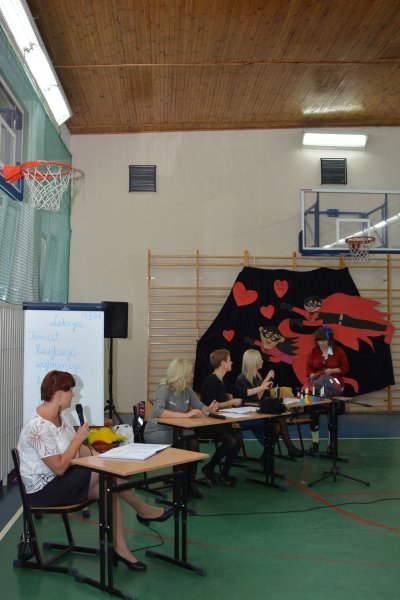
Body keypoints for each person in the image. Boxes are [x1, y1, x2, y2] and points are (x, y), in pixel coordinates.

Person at [18, 370, 173, 573]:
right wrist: (78, 440)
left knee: (108, 486)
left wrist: (103, 456)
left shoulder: (60, 417)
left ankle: (121, 548)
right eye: (70, 390)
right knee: (107, 473)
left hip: (63, 480)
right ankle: (143, 511)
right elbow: (59, 467)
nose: (73, 394)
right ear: (59, 394)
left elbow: (80, 451)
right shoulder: (37, 427)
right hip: (44, 491)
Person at [145, 358, 216, 499]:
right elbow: (158, 411)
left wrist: (209, 409)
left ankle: (190, 482)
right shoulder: (164, 388)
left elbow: (200, 406)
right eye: (190, 372)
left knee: (192, 440)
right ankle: (180, 484)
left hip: (178, 429)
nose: (193, 375)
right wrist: (186, 415)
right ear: (182, 374)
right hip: (157, 431)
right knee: (182, 442)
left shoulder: (187, 390)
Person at [200, 348, 272, 486]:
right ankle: (209, 467)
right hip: (208, 423)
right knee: (232, 440)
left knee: (238, 437)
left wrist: (263, 387)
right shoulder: (211, 380)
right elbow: (210, 406)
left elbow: (243, 392)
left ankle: (224, 473)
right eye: (229, 360)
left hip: (219, 421)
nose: (232, 362)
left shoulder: (222, 380)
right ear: (223, 363)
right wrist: (230, 402)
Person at [235, 349, 303, 458]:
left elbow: (260, 396)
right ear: (253, 361)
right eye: (260, 359)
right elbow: (254, 398)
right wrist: (266, 380)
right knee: (278, 422)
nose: (262, 361)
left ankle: (269, 454)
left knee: (277, 424)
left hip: (256, 410)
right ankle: (287, 449)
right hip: (246, 414)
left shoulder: (256, 377)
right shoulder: (242, 379)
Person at [305, 326, 349, 454]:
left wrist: (333, 370)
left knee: (332, 417)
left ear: (329, 340)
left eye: (324, 340)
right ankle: (315, 444)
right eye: (319, 340)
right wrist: (312, 375)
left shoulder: (338, 351)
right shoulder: (314, 351)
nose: (321, 343)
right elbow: (308, 368)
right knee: (313, 415)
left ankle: (331, 445)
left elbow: (345, 368)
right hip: (317, 388)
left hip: (333, 388)